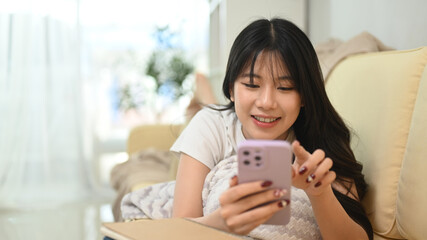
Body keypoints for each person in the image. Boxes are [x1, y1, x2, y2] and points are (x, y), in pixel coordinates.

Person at [170, 18, 373, 240]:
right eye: (251, 85)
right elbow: (179, 229)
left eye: (285, 87)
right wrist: (221, 222)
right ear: (231, 88)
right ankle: (204, 96)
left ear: (304, 96)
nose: (267, 102)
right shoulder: (210, 125)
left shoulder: (323, 140)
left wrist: (320, 194)